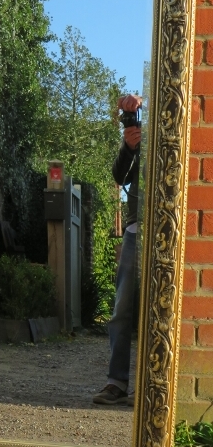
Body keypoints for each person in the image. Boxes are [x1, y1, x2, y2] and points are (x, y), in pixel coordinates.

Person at [93, 94, 142, 405]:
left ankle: (159, 386)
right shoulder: (143, 134)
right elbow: (118, 176)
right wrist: (129, 147)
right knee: (122, 309)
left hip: (175, 229)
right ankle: (116, 382)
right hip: (138, 228)